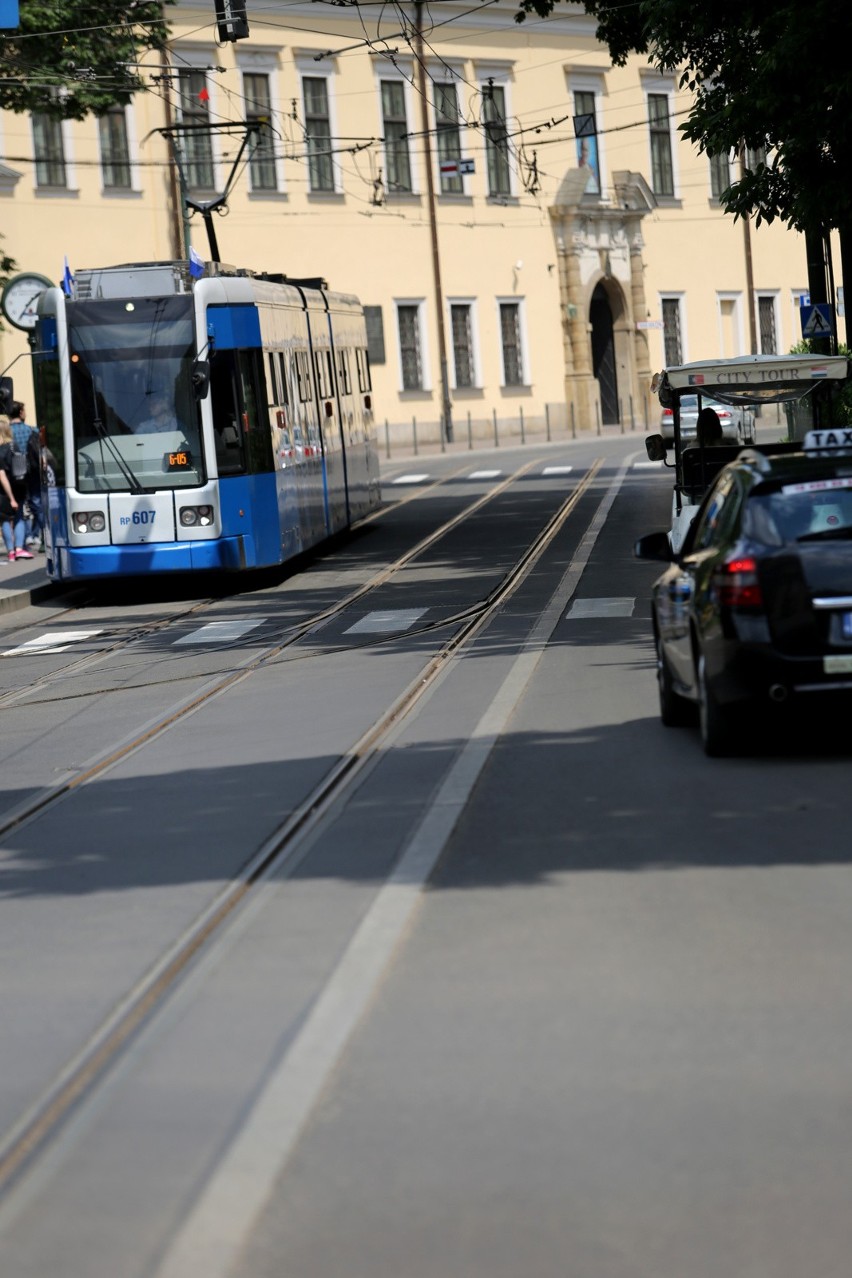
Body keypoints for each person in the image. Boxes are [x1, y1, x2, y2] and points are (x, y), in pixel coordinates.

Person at [9, 400, 43, 550]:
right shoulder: (32, 430)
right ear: (21, 412)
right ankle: (39, 535)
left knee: (20, 506)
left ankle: (23, 541)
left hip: (14, 473)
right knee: (37, 503)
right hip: (33, 471)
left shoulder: (6, 432)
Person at [0, 416, 32, 562]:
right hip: (17, 486)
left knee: (5, 519)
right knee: (19, 517)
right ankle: (19, 548)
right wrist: (12, 497)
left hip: (2, 490)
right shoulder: (13, 446)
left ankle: (11, 551)